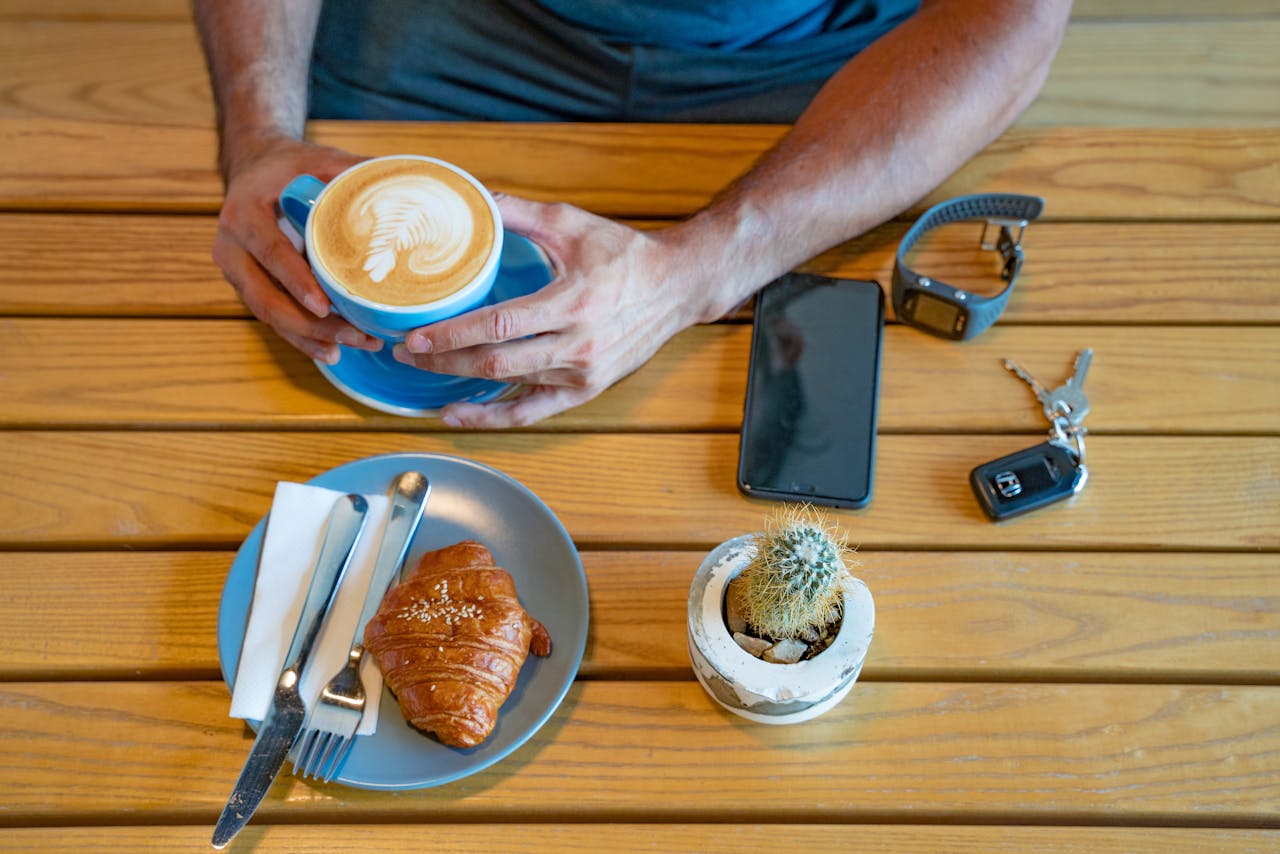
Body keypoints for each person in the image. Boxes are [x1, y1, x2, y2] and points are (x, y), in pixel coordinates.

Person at [193, 0, 1072, 428]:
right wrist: (261, 136)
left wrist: (698, 272)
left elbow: (1015, 15)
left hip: (807, 56)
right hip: (458, 24)